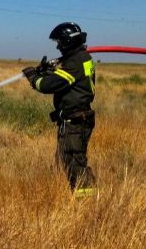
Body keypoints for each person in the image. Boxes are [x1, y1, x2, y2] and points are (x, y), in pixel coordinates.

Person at [22, 22, 97, 197]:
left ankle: (85, 205)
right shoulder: (81, 58)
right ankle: (79, 196)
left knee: (75, 163)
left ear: (67, 42)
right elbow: (64, 81)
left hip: (75, 122)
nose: (57, 46)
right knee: (67, 160)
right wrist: (47, 71)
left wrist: (34, 77)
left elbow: (49, 85)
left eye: (59, 42)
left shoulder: (75, 62)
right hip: (75, 119)